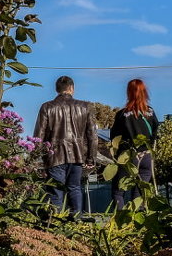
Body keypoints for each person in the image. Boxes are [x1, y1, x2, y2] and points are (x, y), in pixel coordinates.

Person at [33, 75, 99, 214]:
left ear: (57, 89)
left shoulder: (46, 107)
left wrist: (38, 159)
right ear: (72, 89)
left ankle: (55, 224)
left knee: (55, 191)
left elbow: (39, 136)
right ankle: (76, 220)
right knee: (74, 188)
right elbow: (92, 135)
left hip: (54, 156)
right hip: (77, 155)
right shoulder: (85, 107)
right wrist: (91, 158)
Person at [109, 79, 159, 209]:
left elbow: (114, 137)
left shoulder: (123, 114)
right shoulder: (151, 112)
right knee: (139, 192)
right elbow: (155, 133)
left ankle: (120, 220)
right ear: (144, 92)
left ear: (129, 93)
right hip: (147, 156)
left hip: (129, 156)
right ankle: (136, 220)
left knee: (118, 191)